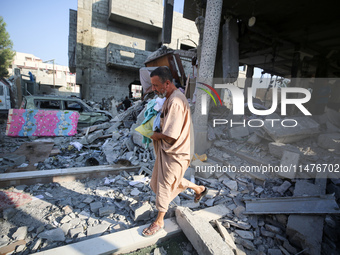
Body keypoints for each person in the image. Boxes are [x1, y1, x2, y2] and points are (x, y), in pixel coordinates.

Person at [142, 66, 208, 237]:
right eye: (152, 85)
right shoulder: (171, 97)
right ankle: (199, 189)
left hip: (175, 152)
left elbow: (171, 136)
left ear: (167, 83)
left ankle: (159, 221)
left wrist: (155, 135)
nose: (154, 89)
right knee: (171, 180)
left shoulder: (176, 102)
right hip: (171, 151)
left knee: (165, 184)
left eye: (156, 86)